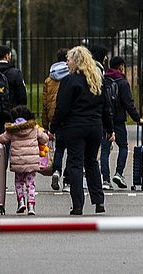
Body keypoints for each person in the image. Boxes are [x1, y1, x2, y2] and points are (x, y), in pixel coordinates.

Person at [50, 46, 114, 215]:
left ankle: (78, 205)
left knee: (75, 164)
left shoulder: (69, 81)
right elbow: (106, 107)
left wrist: (53, 128)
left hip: (75, 127)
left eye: (69, 59)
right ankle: (99, 201)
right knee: (92, 162)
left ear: (76, 61)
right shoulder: (97, 79)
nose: (66, 62)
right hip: (95, 127)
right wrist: (110, 129)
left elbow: (61, 108)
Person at [101, 56, 143, 189]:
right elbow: (128, 103)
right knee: (123, 147)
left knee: (105, 150)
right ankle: (119, 173)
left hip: (105, 120)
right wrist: (137, 118)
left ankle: (105, 180)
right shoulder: (123, 82)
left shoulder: (104, 80)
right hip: (118, 120)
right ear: (120, 66)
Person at [0, 106, 49, 216]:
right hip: (31, 162)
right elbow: (44, 139)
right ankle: (31, 205)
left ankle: (21, 201)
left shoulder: (12, 129)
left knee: (19, 182)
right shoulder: (34, 128)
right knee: (31, 184)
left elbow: (2, 139)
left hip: (18, 162)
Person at [42, 48, 71, 191]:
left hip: (54, 117)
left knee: (59, 148)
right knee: (72, 150)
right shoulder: (71, 76)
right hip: (70, 117)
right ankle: (67, 180)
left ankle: (56, 171)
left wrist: (46, 125)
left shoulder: (49, 79)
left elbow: (45, 103)